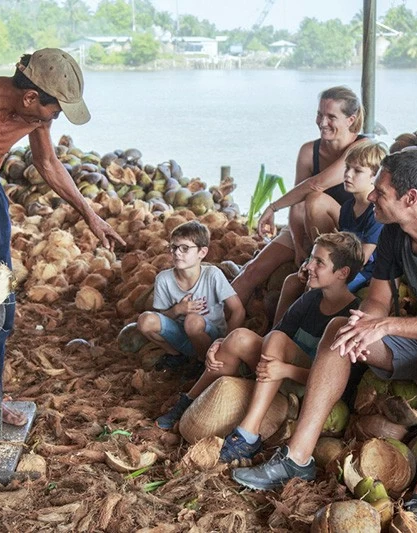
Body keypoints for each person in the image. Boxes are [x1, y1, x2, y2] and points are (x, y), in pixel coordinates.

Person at [231, 147, 417, 533]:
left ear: (410, 199)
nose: (371, 195)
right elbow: (377, 301)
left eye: (381, 190)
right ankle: (298, 456)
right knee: (340, 328)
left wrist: (388, 326)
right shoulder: (394, 234)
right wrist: (366, 325)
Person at [0, 48, 125, 471]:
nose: (55, 119)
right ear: (31, 97)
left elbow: (47, 163)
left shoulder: (36, 114)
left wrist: (91, 214)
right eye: (53, 110)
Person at [156, 233, 363, 459]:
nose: (308, 266)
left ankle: (248, 435)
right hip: (275, 372)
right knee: (239, 337)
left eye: (319, 262)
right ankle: (189, 400)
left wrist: (286, 370)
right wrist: (223, 342)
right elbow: (273, 337)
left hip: (307, 389)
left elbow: (338, 383)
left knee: (277, 339)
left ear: (343, 273)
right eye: (311, 258)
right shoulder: (311, 298)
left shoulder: (351, 315)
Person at [230, 87, 367, 305]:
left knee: (315, 198)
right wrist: (297, 240)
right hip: (308, 224)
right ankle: (216, 331)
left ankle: (320, 263)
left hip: (346, 232)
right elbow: (298, 202)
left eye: (331, 117)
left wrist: (273, 207)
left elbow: (315, 185)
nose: (323, 122)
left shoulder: (362, 147)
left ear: (350, 119)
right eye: (320, 115)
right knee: (251, 270)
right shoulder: (308, 151)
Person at [272, 141, 386, 323]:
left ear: (375, 177)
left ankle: (303, 336)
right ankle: (277, 331)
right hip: (345, 267)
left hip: (364, 273)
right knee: (291, 282)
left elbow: (360, 260)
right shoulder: (348, 207)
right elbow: (341, 247)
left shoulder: (375, 213)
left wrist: (322, 271)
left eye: (357, 171)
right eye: (347, 168)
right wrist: (312, 263)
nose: (347, 174)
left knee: (315, 289)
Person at [138, 221, 245, 377]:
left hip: (211, 339)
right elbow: (162, 317)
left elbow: (238, 310)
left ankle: (203, 361)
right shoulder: (163, 279)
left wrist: (224, 343)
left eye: (185, 248)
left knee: (192, 321)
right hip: (182, 336)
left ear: (202, 252)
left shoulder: (212, 275)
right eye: (173, 247)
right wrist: (177, 310)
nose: (177, 253)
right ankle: (176, 355)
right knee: (145, 320)